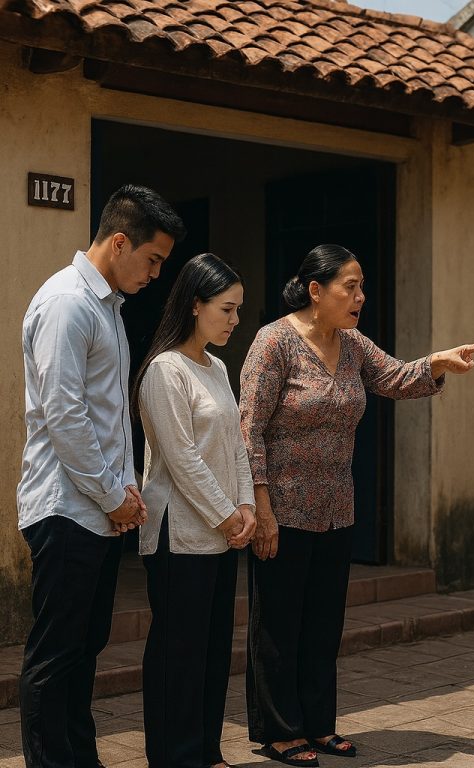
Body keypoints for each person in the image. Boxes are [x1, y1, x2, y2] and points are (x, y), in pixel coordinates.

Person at [240, 244, 474, 767]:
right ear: (315, 290)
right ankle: (280, 730)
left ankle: (318, 725)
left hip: (337, 508)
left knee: (324, 623)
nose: (361, 296)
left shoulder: (352, 345)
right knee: (279, 625)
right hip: (282, 511)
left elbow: (394, 377)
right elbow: (250, 430)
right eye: (349, 286)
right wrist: (260, 506)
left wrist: (437, 363)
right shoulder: (274, 343)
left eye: (362, 286)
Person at [17, 185, 185, 768]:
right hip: (65, 507)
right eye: (153, 259)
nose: (157, 274)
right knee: (57, 652)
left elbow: (104, 415)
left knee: (85, 648)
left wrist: (122, 489)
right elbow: (64, 415)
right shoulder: (68, 303)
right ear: (120, 241)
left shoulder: (106, 306)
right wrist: (114, 494)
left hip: (97, 506)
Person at [132, 253, 257, 768]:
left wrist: (246, 504)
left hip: (222, 533)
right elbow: (181, 458)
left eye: (237, 311)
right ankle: (174, 755)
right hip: (179, 536)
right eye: (226, 310)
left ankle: (205, 750)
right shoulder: (165, 371)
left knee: (210, 652)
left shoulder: (218, 367)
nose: (234, 321)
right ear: (195, 304)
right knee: (178, 655)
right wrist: (228, 515)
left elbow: (235, 445)